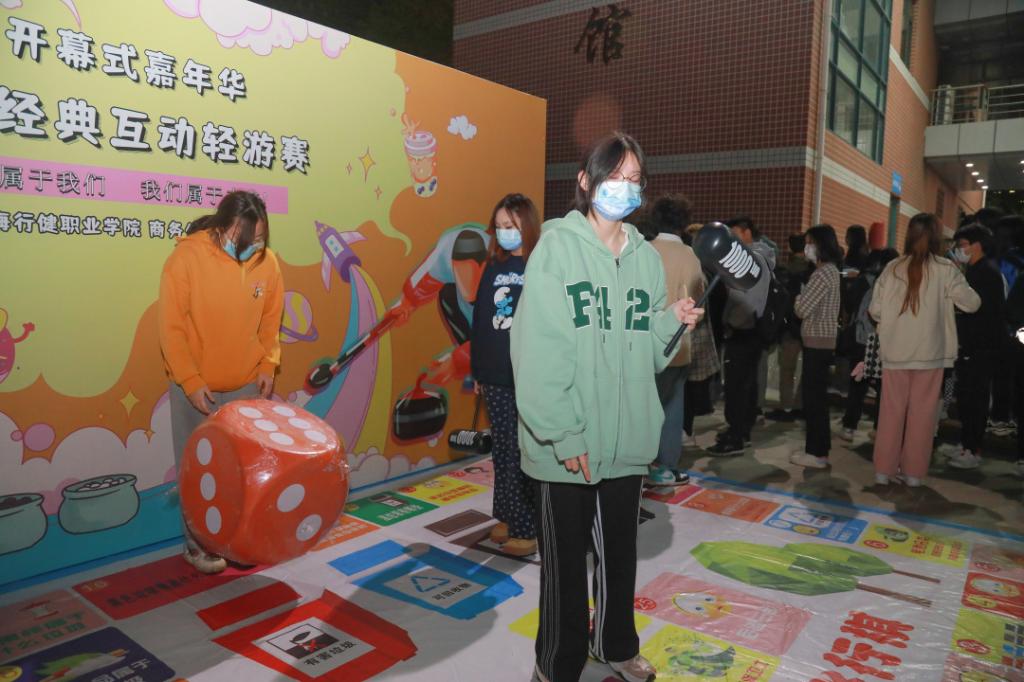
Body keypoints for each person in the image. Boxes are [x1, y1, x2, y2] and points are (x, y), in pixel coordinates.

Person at [511, 132, 701, 682]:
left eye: (634, 179)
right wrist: (564, 435)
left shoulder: (645, 259)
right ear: (586, 180)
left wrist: (671, 322)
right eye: (614, 176)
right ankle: (558, 663)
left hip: (626, 441)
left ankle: (615, 644)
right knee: (565, 568)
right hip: (564, 442)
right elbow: (538, 352)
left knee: (619, 556)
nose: (625, 188)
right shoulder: (556, 249)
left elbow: (647, 353)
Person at [158, 190, 284, 574]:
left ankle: (240, 540)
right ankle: (197, 544)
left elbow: (271, 321)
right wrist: (190, 380)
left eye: (258, 239)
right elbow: (171, 328)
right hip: (197, 388)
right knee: (198, 470)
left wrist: (268, 365)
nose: (250, 247)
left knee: (243, 471)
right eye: (242, 238)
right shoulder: (186, 258)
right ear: (220, 227)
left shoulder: (268, 263)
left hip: (246, 384)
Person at [869, 213, 980, 487]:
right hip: (931, 355)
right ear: (936, 237)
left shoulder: (892, 267)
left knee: (891, 412)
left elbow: (875, 310)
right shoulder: (946, 269)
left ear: (909, 235)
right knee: (923, 415)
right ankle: (913, 474)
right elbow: (973, 303)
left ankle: (883, 470)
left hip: (896, 353)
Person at [470, 193, 541, 556]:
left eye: (510, 226)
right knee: (502, 452)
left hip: (528, 375)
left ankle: (527, 528)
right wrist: (478, 369)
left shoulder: (541, 264)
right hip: (495, 375)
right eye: (498, 227)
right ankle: (508, 515)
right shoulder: (494, 265)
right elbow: (481, 318)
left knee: (522, 454)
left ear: (526, 225)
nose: (504, 233)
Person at [647, 194, 704, 485]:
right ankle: (667, 467)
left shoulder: (644, 250)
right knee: (671, 407)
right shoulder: (690, 256)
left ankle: (641, 463)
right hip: (679, 345)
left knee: (644, 407)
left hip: (645, 344)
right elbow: (698, 301)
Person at [707, 216, 775, 456]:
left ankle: (735, 435)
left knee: (736, 386)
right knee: (747, 383)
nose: (731, 239)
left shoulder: (750, 259)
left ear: (746, 232)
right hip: (753, 327)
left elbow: (741, 296)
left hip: (743, 326)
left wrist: (730, 320)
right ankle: (742, 430)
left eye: (734, 233)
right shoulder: (764, 257)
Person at [948, 224, 1004, 470]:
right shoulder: (974, 270)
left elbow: (983, 314)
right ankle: (965, 443)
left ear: (977, 245)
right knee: (966, 398)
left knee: (975, 399)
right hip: (971, 346)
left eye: (962, 245)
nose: (959, 250)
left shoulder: (986, 273)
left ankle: (973, 449)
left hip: (981, 347)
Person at [790, 224, 842, 468]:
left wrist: (798, 297)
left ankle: (817, 452)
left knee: (814, 400)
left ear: (821, 245)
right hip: (822, 342)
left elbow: (802, 309)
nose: (806, 247)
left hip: (817, 343)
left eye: (810, 242)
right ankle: (818, 450)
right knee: (816, 398)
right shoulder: (830, 271)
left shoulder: (822, 274)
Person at [842, 248, 898, 437]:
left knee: (858, 385)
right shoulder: (898, 284)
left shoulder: (865, 281)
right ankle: (878, 428)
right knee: (883, 388)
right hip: (885, 341)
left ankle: (849, 427)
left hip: (862, 339)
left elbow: (850, 305)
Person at [767, 233, 812, 422]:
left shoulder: (785, 271)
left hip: (789, 327)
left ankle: (786, 407)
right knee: (806, 370)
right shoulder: (812, 270)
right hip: (807, 326)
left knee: (787, 370)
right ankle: (800, 405)